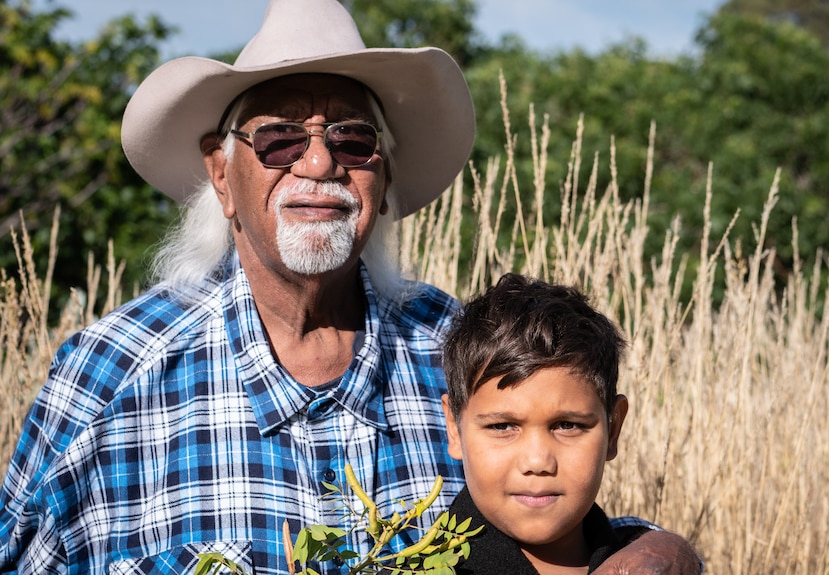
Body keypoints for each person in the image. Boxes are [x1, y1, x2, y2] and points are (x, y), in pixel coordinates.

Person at [0, 1, 699, 574]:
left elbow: (558, 517)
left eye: (353, 141)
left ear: (383, 178)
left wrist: (660, 549)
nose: (318, 161)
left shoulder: (455, 345)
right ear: (221, 173)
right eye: (277, 139)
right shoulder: (111, 374)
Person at [443, 273, 681, 574]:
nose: (537, 461)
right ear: (455, 427)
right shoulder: (417, 569)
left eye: (567, 425)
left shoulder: (654, 562)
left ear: (613, 428)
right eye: (502, 427)